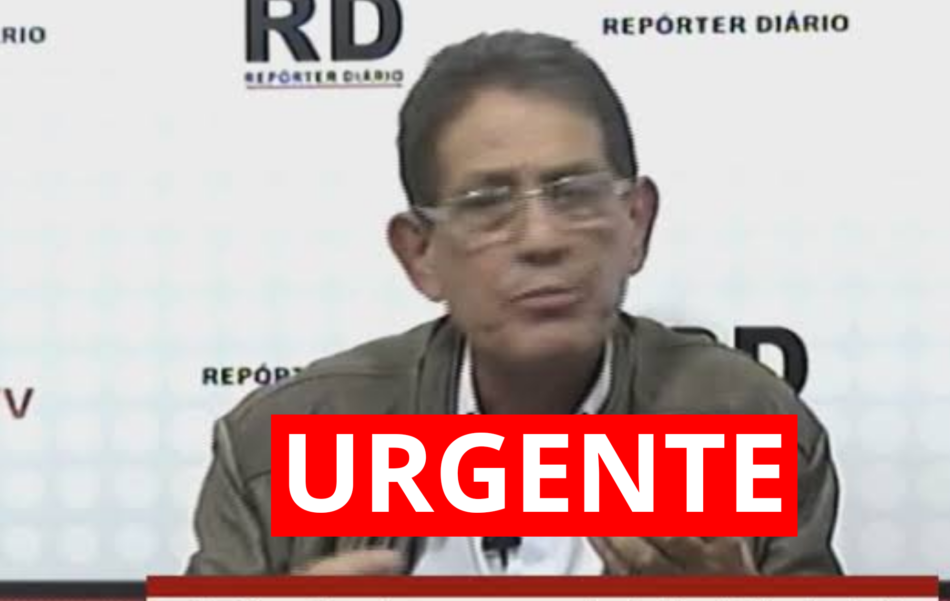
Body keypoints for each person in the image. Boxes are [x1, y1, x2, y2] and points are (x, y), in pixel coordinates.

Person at [185, 30, 842, 576]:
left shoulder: (752, 429)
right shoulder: (284, 446)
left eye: (575, 193)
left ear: (637, 222)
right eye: (487, 204)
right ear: (420, 253)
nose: (541, 240)